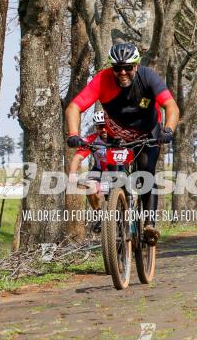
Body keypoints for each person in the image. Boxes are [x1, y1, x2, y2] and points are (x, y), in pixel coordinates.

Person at [65, 43, 179, 246]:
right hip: (117, 136)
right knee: (114, 178)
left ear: (137, 64)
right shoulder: (102, 79)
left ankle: (149, 225)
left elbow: (170, 105)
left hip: (148, 134)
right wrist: (74, 133)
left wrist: (168, 130)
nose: (122, 72)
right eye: (117, 68)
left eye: (128, 67)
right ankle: (116, 228)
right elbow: (74, 107)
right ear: (112, 68)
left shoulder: (148, 77)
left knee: (145, 172)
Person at [67, 111, 110, 232]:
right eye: (100, 126)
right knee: (90, 187)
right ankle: (99, 215)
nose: (104, 129)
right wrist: (72, 173)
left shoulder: (120, 136)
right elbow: (78, 158)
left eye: (106, 125)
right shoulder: (92, 139)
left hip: (118, 170)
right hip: (99, 170)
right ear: (96, 127)